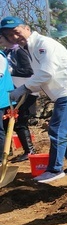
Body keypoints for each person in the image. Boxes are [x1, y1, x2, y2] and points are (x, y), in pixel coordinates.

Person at [1, 16, 67, 183]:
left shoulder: (43, 44)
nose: (14, 37)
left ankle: (55, 169)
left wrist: (24, 88)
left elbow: (47, 73)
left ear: (27, 28)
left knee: (57, 130)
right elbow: (40, 75)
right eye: (9, 35)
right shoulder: (29, 48)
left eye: (16, 32)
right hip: (60, 93)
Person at [0, 35, 37, 163]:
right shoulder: (6, 52)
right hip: (14, 92)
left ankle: (29, 150)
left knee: (21, 122)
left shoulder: (20, 51)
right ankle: (6, 150)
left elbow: (29, 70)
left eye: (2, 36)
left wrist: (11, 71)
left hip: (27, 91)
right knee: (6, 122)